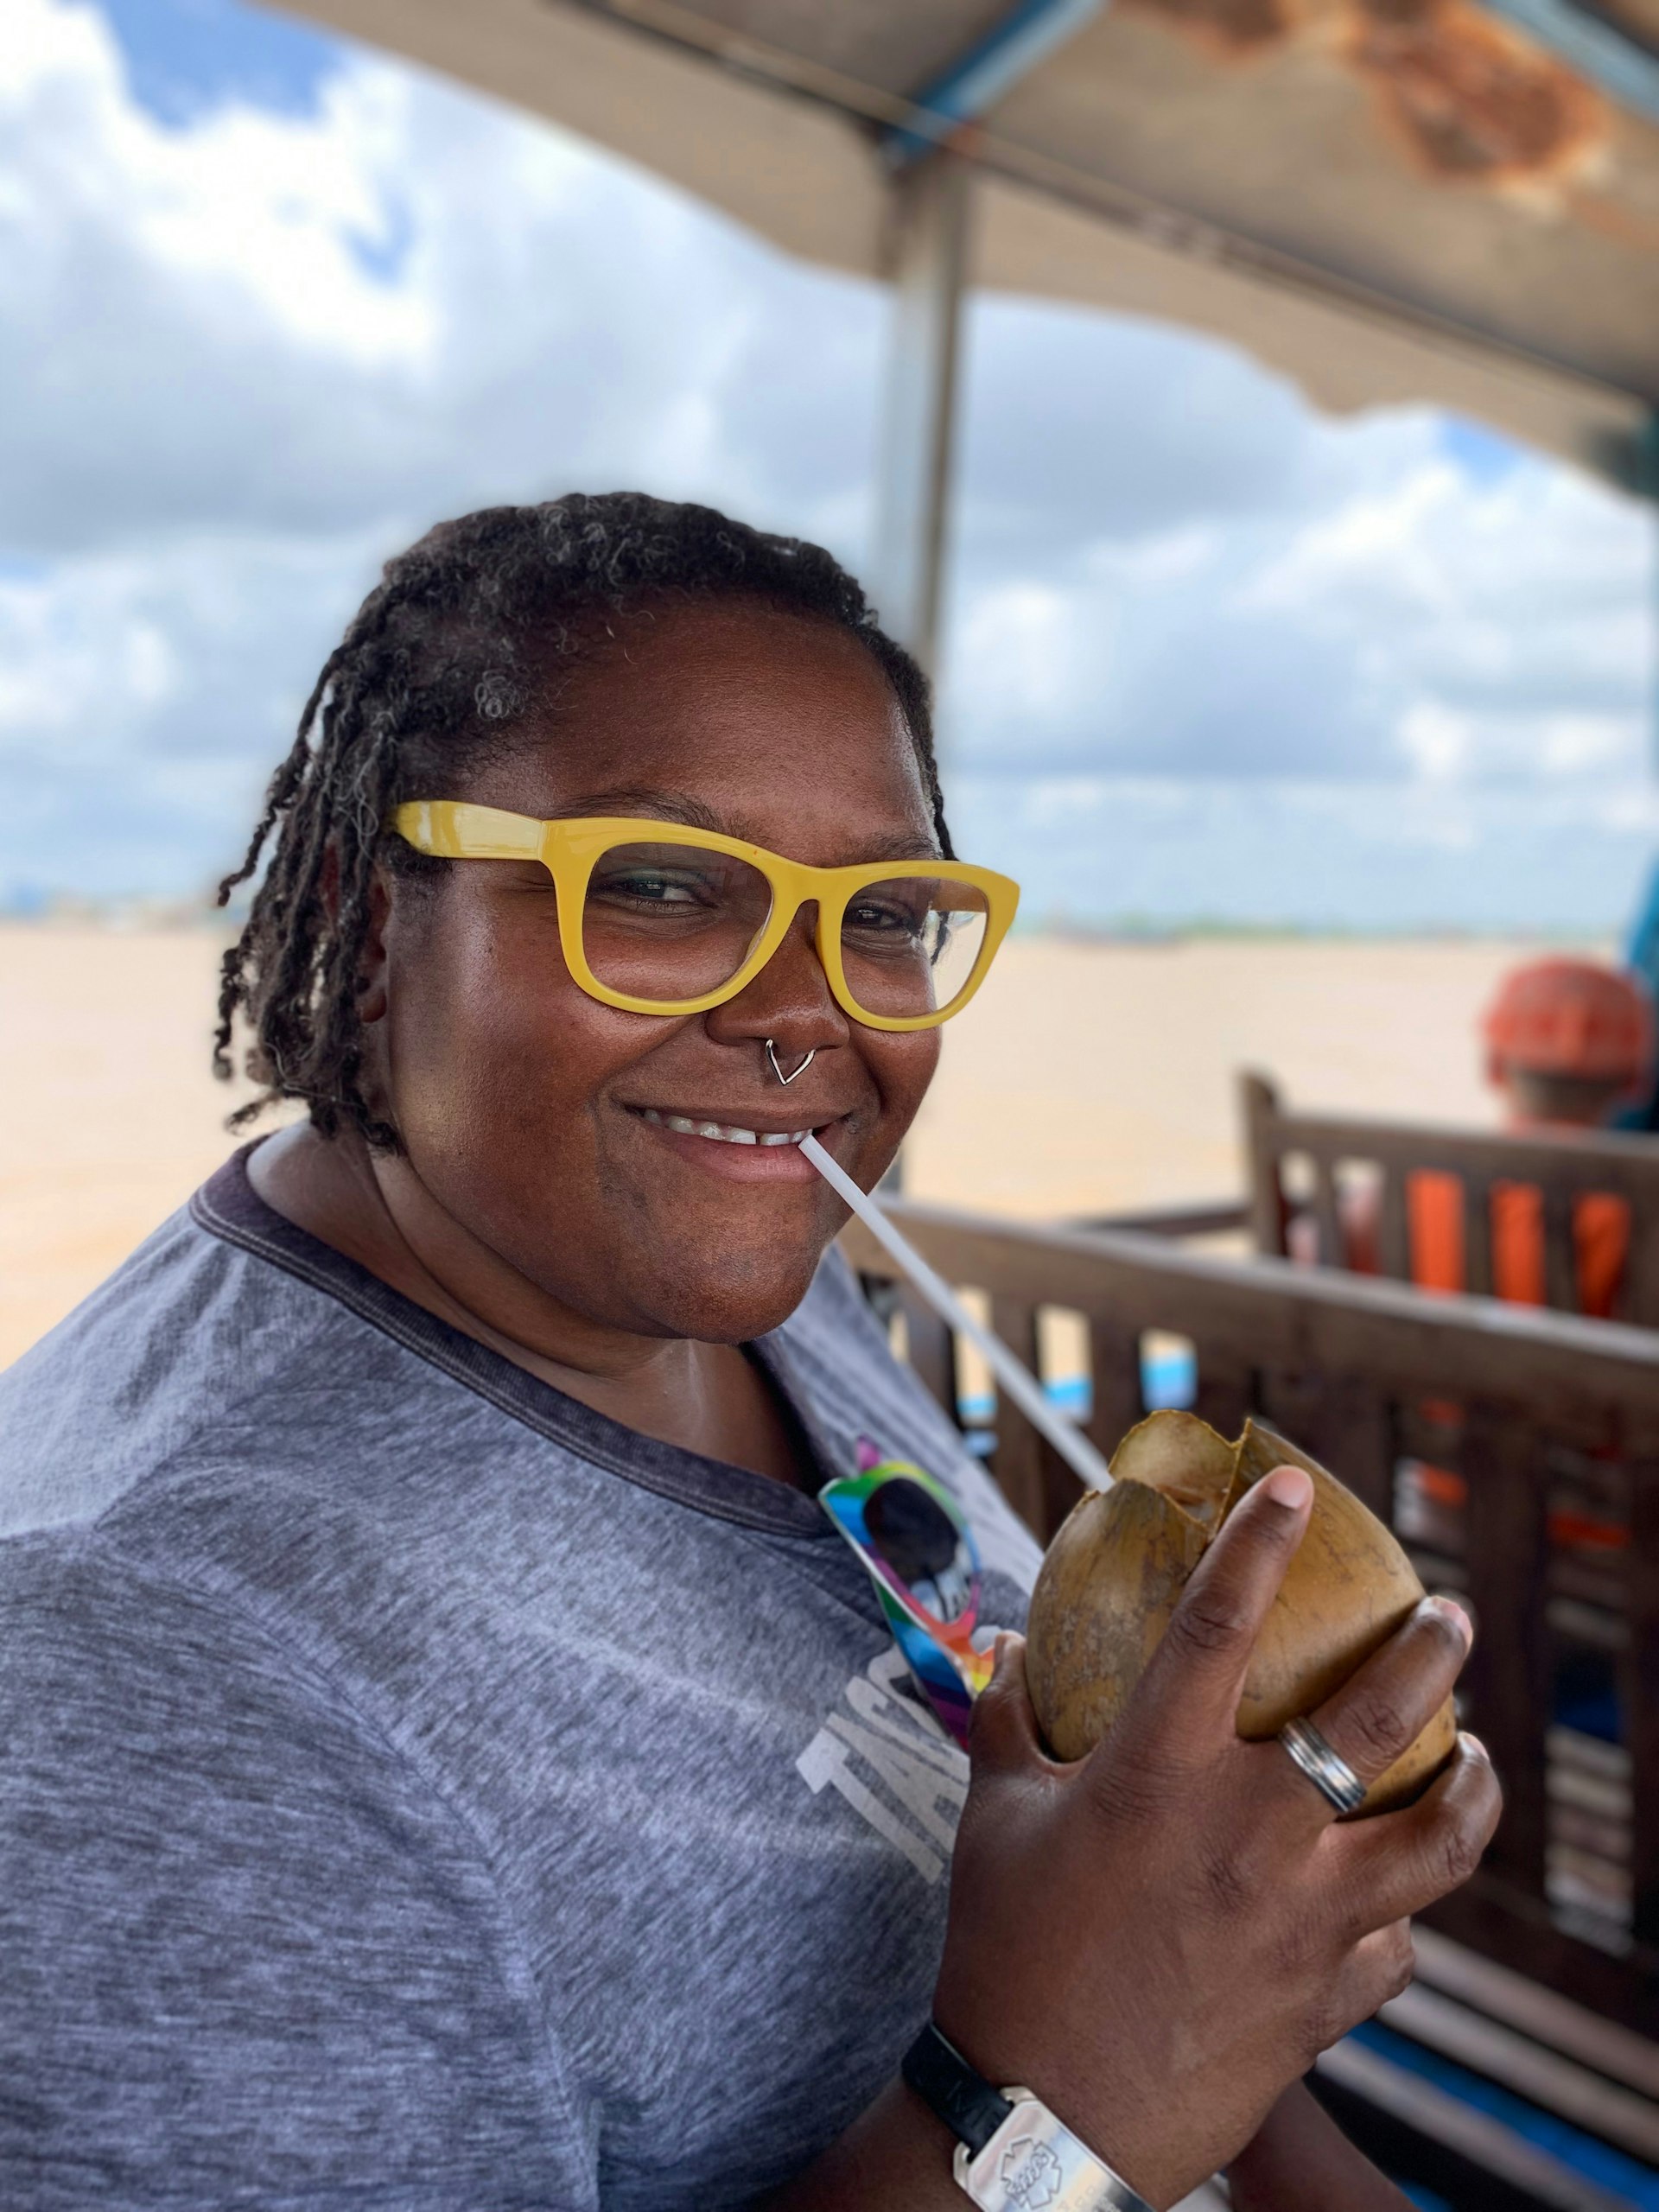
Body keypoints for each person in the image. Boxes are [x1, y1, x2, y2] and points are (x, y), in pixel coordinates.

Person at [0, 493, 1497, 2211]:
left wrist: (1219, 1974)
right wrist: (1054, 2109)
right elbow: (1133, 2043)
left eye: (883, 914)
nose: (808, 1008)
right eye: (657, 884)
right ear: (368, 922)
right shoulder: (147, 1687)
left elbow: (1185, 2005)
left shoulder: (754, 1288)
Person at [1394, 957, 1652, 1316]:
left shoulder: (1409, 1187)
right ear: (1636, 1082)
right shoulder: (1639, 1207)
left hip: (1427, 1371)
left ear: (1494, 1068)